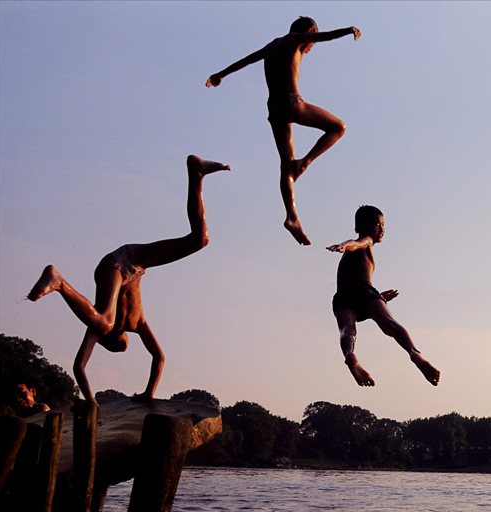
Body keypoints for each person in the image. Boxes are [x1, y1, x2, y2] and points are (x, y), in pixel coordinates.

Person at [27, 155, 230, 405]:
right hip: (136, 263)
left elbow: (81, 366)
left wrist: (92, 400)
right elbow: (159, 357)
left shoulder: (104, 328)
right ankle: (196, 174)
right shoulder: (138, 323)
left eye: (122, 345)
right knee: (200, 239)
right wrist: (148, 394)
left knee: (103, 321)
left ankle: (59, 282)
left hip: (119, 263)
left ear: (116, 340)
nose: (127, 344)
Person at [206, 16, 361, 246]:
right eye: (311, 45)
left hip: (274, 108)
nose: (309, 50)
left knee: (285, 164)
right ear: (308, 33)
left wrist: (221, 74)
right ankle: (306, 162)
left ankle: (292, 216)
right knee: (339, 127)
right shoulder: (297, 38)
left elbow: (246, 60)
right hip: (291, 102)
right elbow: (325, 35)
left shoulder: (272, 46)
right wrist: (349, 30)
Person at [327, 206, 440, 387]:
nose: (382, 230)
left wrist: (380, 297)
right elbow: (355, 243)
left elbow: (353, 276)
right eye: (377, 225)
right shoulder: (366, 241)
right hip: (364, 292)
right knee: (391, 325)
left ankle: (350, 357)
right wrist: (343, 246)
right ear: (362, 227)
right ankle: (414, 353)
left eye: (383, 225)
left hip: (343, 297)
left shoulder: (358, 252)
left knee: (347, 330)